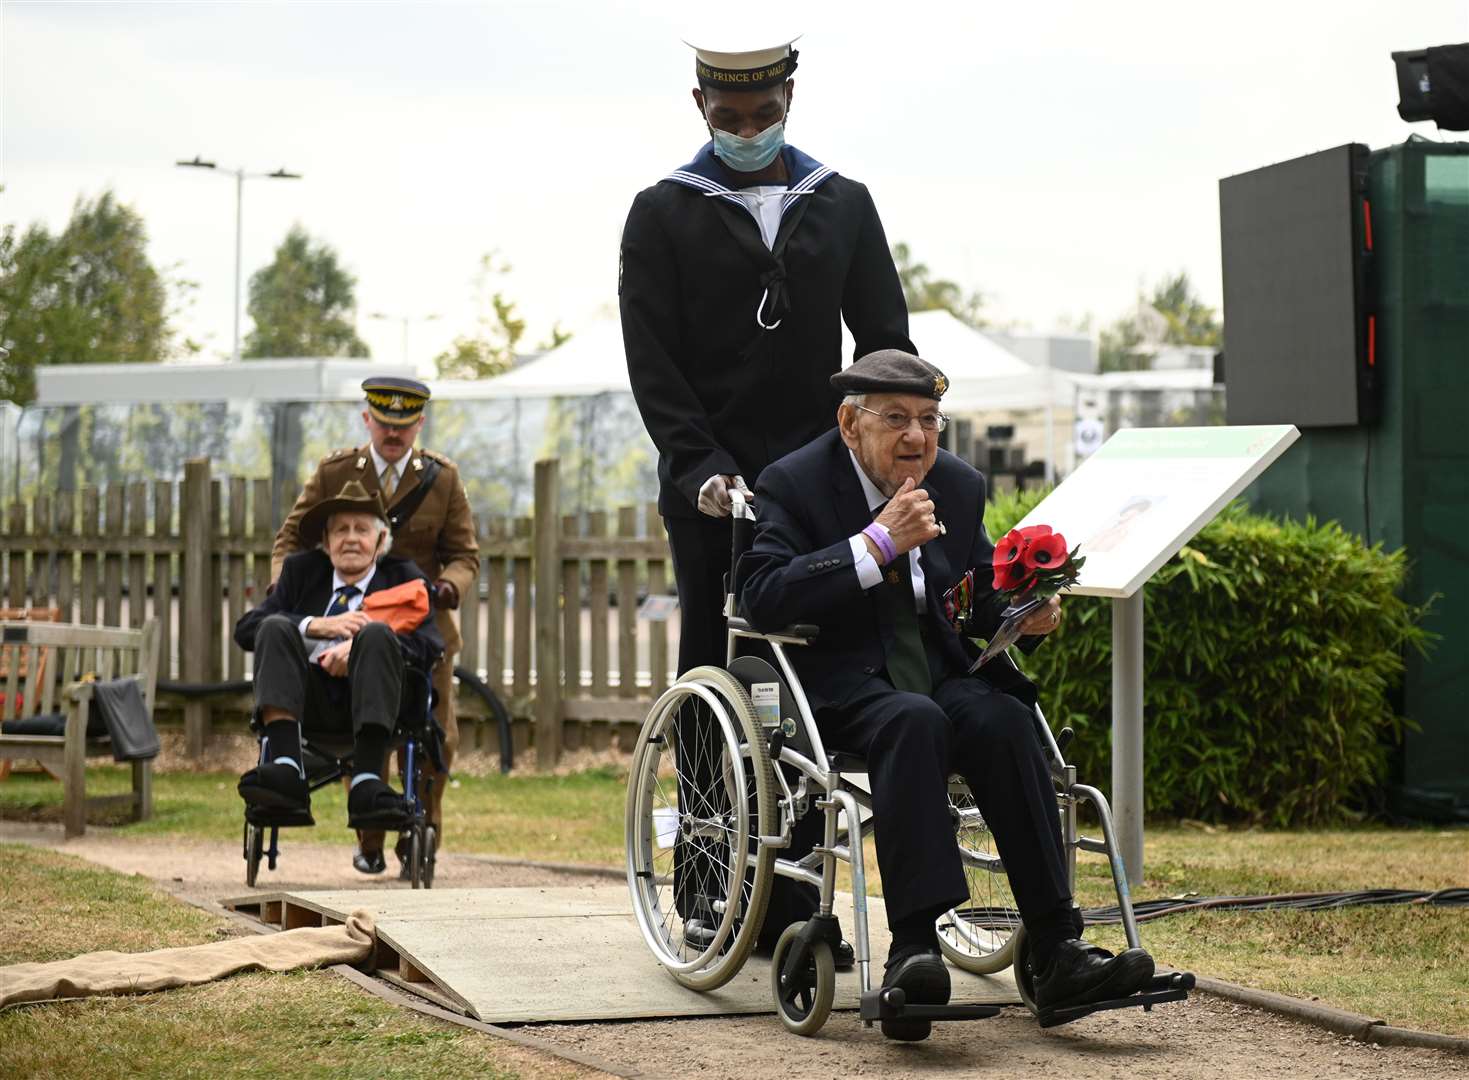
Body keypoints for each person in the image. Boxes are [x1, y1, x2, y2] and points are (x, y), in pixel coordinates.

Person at [736, 350, 1156, 1041]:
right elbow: (764, 592)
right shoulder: (793, 482)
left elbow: (973, 598)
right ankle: (913, 949)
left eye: (929, 421)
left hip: (935, 671)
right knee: (914, 721)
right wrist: (874, 543)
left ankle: (1055, 949)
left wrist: (1025, 613)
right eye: (896, 419)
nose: (916, 438)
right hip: (838, 680)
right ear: (849, 423)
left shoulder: (957, 486)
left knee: (1003, 718)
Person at [620, 30, 914, 953]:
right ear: (699, 108)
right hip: (714, 486)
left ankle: (793, 892)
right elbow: (652, 362)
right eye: (729, 116)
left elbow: (882, 344)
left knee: (810, 681)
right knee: (716, 672)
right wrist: (698, 468)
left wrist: (885, 450)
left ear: (790, 100)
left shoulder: (843, 202)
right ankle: (708, 887)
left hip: (817, 485)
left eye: (764, 113)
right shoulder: (661, 211)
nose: (747, 129)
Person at [273, 377, 478, 876]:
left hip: (421, 630)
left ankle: (420, 832)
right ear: (367, 420)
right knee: (359, 724)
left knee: (435, 738)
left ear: (418, 426)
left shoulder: (442, 479)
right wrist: (297, 602)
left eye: (403, 426)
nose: (394, 434)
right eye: (385, 423)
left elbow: (465, 555)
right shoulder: (337, 472)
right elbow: (289, 544)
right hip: (352, 624)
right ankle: (368, 838)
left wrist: (447, 587)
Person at [236, 480, 444, 829]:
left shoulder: (405, 578)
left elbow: (430, 647)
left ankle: (366, 783)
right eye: (340, 530)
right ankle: (287, 768)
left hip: (380, 706)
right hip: (308, 703)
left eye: (361, 529)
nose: (350, 538)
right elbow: (246, 628)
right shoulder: (302, 572)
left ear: (380, 542)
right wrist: (315, 625)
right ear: (326, 541)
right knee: (273, 626)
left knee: (376, 633)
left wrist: (360, 647)